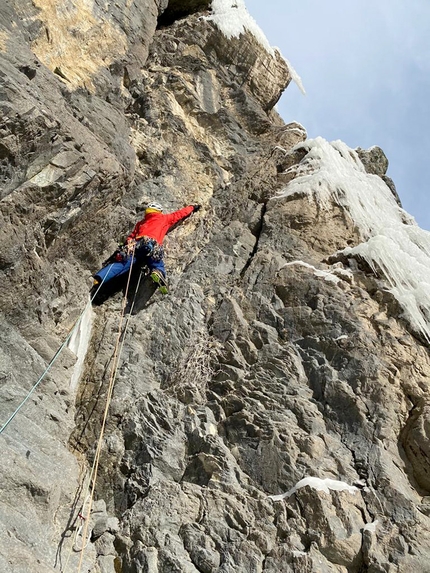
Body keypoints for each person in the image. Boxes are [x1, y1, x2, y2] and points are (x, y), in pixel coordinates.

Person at [125, 202, 201, 293]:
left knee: (142, 256)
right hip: (150, 244)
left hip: (137, 246)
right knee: (155, 260)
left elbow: (131, 236)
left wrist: (128, 242)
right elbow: (180, 214)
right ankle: (158, 271)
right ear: (159, 211)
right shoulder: (163, 218)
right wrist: (192, 207)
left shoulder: (141, 223)